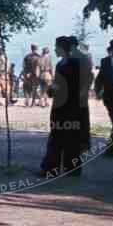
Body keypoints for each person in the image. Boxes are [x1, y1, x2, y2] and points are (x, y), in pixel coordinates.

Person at [40, 36, 82, 177]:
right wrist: (53, 89)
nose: (54, 49)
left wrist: (57, 88)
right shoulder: (60, 64)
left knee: (69, 137)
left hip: (70, 106)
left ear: (62, 48)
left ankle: (71, 169)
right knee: (57, 136)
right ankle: (52, 168)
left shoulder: (74, 64)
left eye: (56, 47)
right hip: (59, 106)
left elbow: (75, 86)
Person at [70, 36, 93, 151]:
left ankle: (83, 142)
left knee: (81, 117)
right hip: (74, 92)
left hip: (79, 91)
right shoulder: (80, 57)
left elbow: (89, 76)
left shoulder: (81, 57)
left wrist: (84, 90)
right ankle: (80, 141)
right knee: (79, 117)